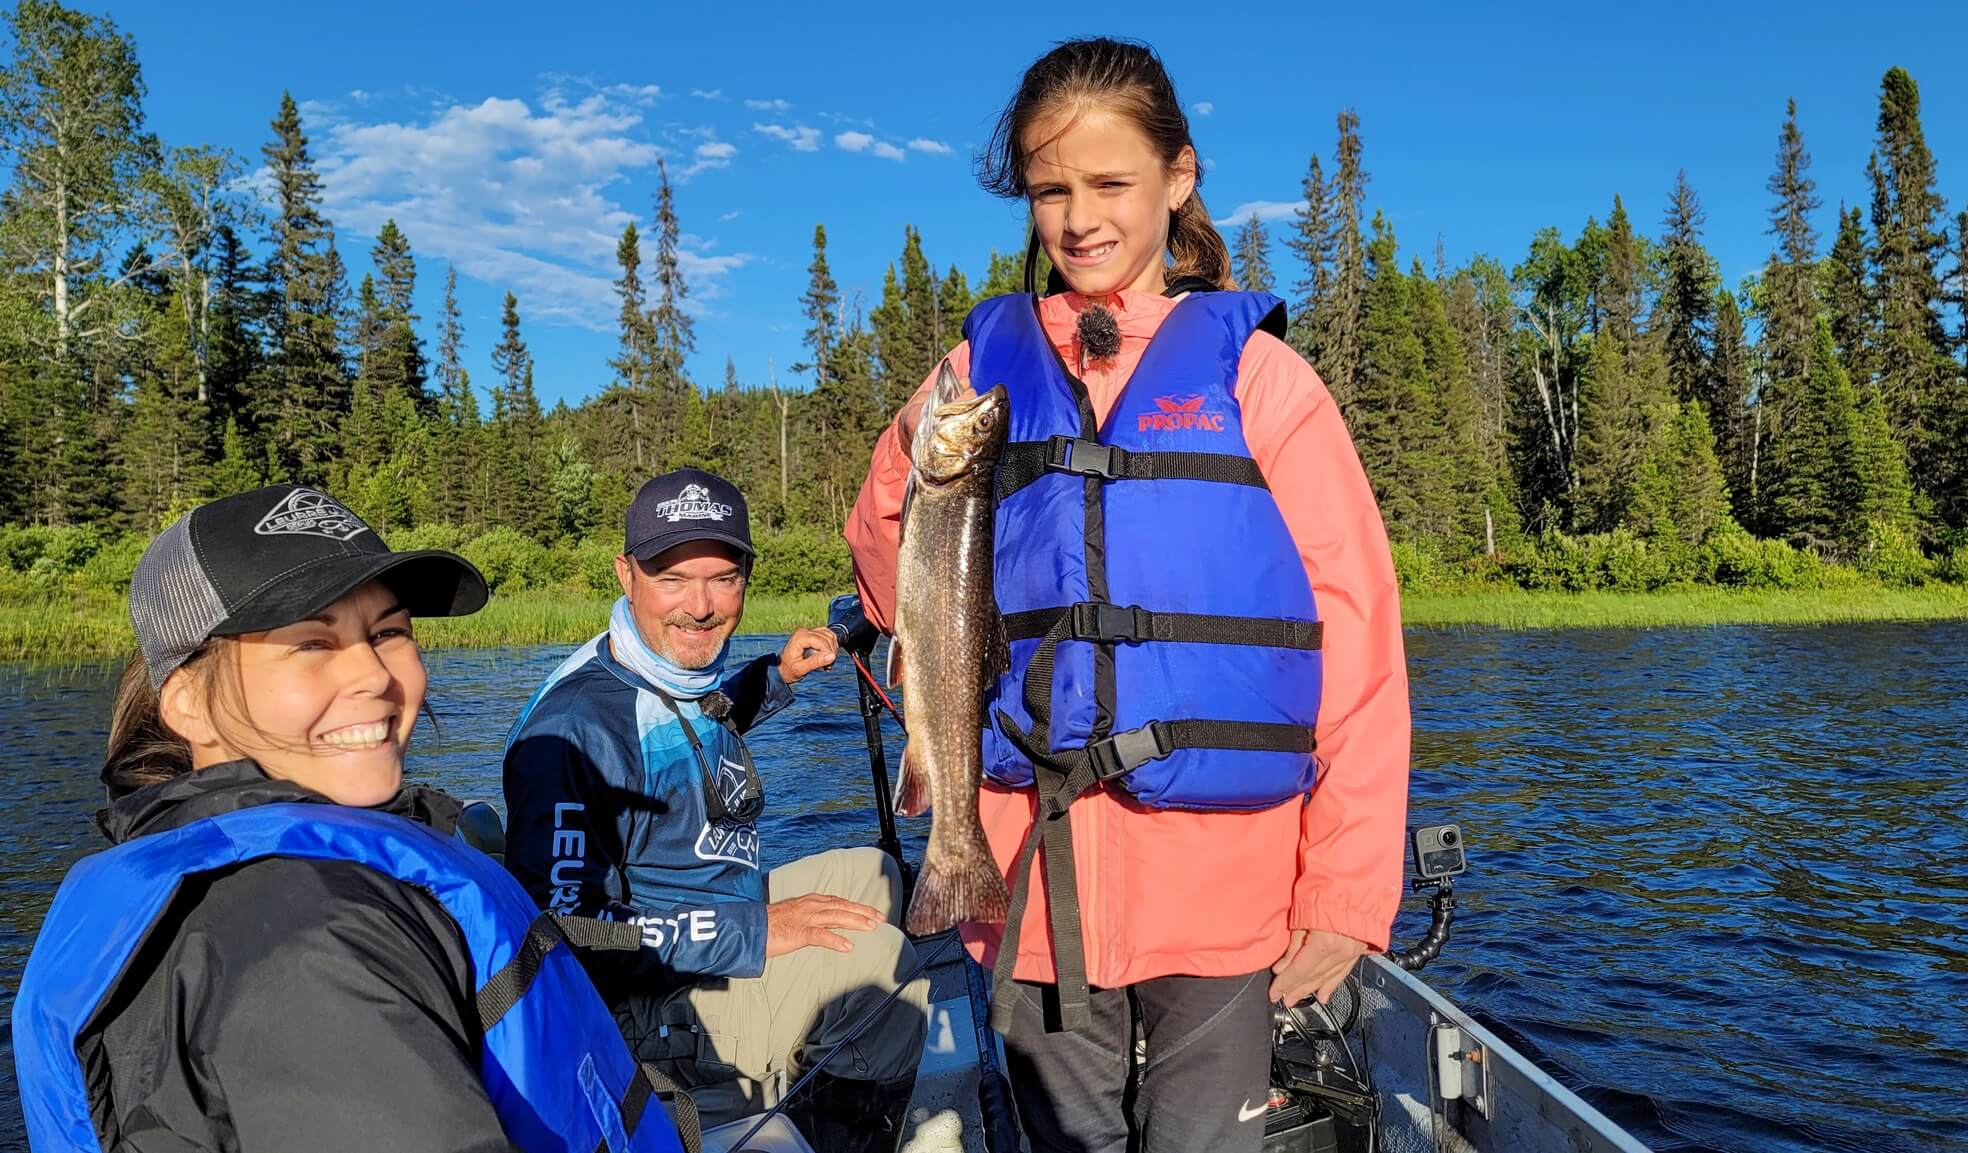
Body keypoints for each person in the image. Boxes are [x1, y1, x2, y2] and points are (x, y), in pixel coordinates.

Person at [844, 37, 1413, 1153]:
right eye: (1051, 190)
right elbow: (883, 582)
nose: (1078, 219)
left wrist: (1343, 893)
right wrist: (906, 449)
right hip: (1022, 877)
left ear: (1177, 178)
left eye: (1109, 184)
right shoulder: (978, 372)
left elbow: (1355, 642)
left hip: (1223, 883)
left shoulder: (1261, 381)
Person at [11, 484, 684, 1153]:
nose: (374, 674)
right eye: (311, 642)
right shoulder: (299, 939)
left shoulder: (253, 878)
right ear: (186, 703)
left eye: (387, 631)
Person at [501, 466, 929, 1146]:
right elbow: (563, 934)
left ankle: (811, 1065)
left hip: (709, 923)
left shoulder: (657, 670)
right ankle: (814, 1133)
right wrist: (754, 932)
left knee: (874, 874)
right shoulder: (572, 732)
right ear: (626, 573)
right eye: (672, 577)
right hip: (651, 1006)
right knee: (880, 962)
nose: (699, 606)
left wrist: (775, 676)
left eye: (723, 577)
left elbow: (695, 724)